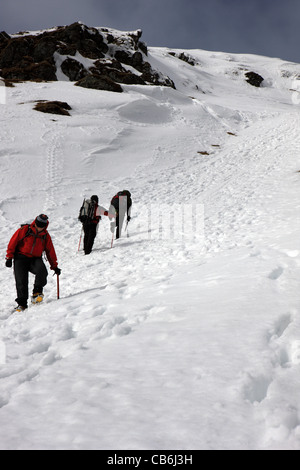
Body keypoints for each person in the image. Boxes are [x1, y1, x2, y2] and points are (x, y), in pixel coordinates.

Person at [5, 214, 61, 312]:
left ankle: (37, 293)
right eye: (38, 225)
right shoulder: (25, 230)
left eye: (41, 226)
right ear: (35, 223)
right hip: (20, 258)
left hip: (35, 259)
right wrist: (9, 257)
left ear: (45, 226)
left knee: (42, 271)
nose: (39, 228)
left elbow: (50, 251)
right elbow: (13, 242)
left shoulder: (45, 235)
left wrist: (54, 266)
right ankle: (22, 304)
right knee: (21, 281)